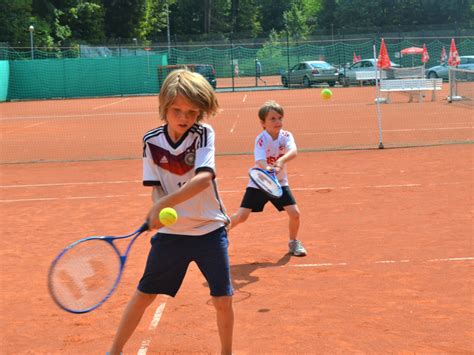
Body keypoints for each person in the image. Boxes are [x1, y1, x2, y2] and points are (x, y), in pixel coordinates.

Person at [109, 69, 234, 355]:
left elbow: (204, 178)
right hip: (172, 236)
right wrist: (159, 206)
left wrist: (161, 205)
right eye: (177, 110)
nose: (184, 118)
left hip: (209, 231)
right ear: (164, 107)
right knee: (144, 295)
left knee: (222, 299)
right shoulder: (151, 141)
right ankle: (113, 351)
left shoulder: (203, 134)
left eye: (192, 112)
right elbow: (155, 186)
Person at [230, 100, 307, 257]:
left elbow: (293, 151)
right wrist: (268, 169)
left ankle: (293, 242)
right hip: (259, 184)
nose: (278, 121)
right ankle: (222, 232)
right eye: (273, 119)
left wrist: (280, 161)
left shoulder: (286, 136)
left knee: (295, 214)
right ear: (262, 123)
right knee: (242, 216)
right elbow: (260, 160)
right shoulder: (261, 139)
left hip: (279, 183)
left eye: (280, 118)